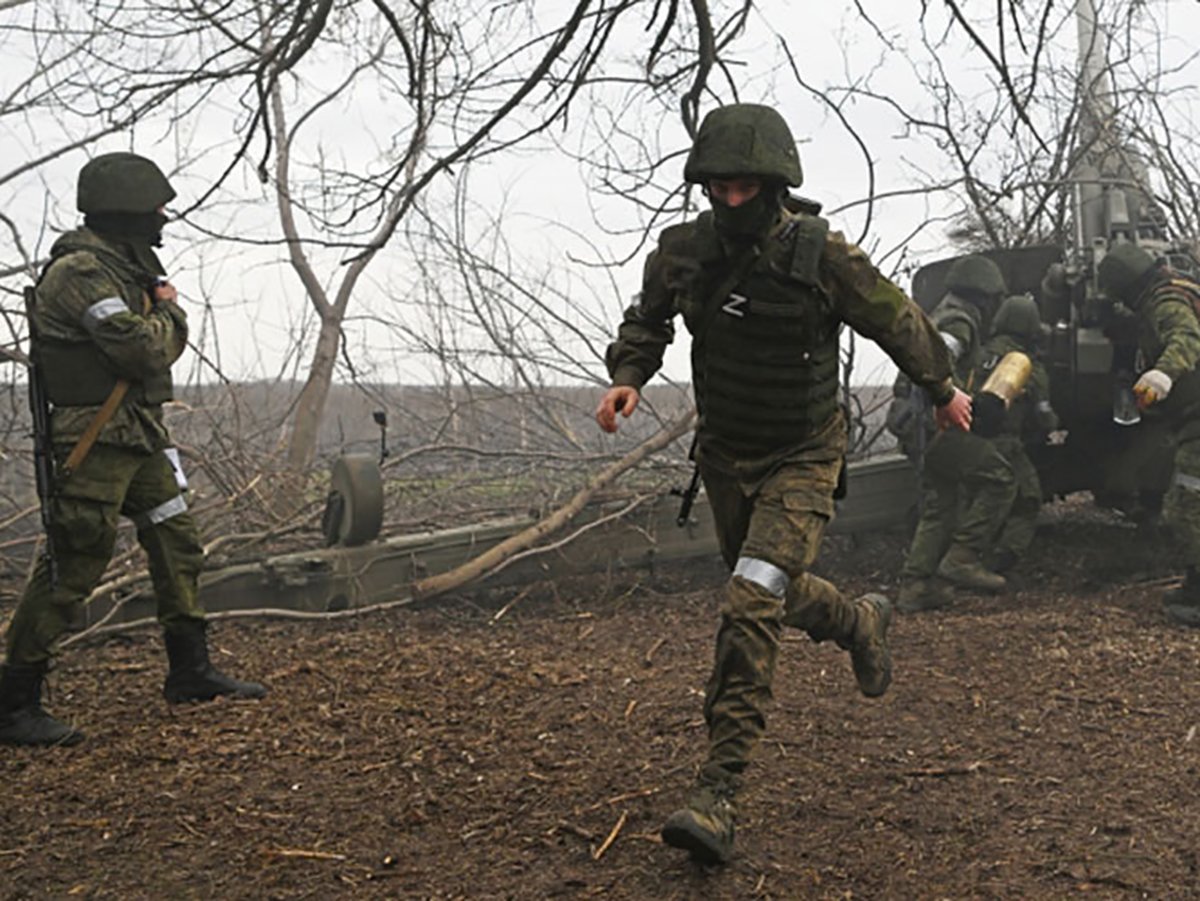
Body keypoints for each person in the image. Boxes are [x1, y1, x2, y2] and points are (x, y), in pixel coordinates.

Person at [594, 103, 971, 865]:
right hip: (728, 455)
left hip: (803, 453)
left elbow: (896, 319)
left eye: (744, 189)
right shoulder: (682, 253)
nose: (731, 202)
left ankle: (718, 793)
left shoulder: (823, 254)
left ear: (772, 185)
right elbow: (649, 321)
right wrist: (629, 376)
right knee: (769, 586)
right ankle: (861, 621)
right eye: (718, 189)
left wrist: (943, 387)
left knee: (750, 595)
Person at [0, 152, 267, 748]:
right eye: (154, 210)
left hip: (137, 432)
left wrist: (160, 307)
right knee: (74, 563)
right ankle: (13, 705)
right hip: (93, 439)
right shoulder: (81, 274)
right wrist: (170, 312)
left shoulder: (126, 268)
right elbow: (143, 351)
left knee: (177, 539)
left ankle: (190, 671)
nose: (163, 220)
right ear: (124, 211)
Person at [895, 255, 1015, 612]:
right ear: (986, 295)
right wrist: (958, 404)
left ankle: (916, 586)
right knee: (1001, 478)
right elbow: (936, 362)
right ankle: (963, 557)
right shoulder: (959, 321)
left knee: (940, 504)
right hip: (935, 423)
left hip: (916, 422)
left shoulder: (945, 311)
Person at [1097, 242, 1200, 627]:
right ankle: (1195, 586)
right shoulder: (1180, 289)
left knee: (1188, 508)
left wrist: (1164, 373)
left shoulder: (1167, 302)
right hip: (1193, 420)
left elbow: (1187, 338)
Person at [976, 294, 1059, 574]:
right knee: (1028, 499)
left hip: (967, 441)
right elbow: (1045, 417)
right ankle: (1002, 559)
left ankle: (964, 555)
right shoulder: (1026, 366)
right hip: (1005, 444)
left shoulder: (980, 354)